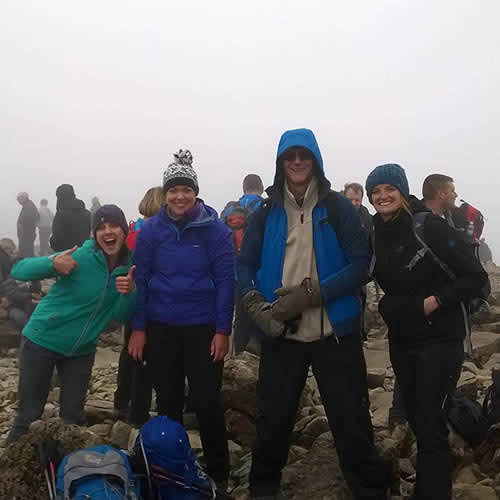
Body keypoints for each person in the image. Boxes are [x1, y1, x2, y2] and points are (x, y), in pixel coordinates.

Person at [238, 128, 391, 500]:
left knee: (351, 422)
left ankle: (369, 491)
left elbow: (360, 265)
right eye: (289, 156)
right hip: (281, 333)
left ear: (316, 160)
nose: (296, 162)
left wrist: (312, 294)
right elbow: (243, 265)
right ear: (280, 163)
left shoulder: (338, 207)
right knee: (272, 423)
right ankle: (262, 491)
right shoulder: (265, 212)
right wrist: (255, 304)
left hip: (334, 333)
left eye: (303, 155)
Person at [365, 164, 488, 499]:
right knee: (418, 420)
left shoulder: (428, 226)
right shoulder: (376, 232)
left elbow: (477, 278)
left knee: (431, 421)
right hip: (403, 340)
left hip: (440, 339)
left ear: (403, 192)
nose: (382, 196)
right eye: (375, 192)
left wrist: (436, 300)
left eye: (389, 189)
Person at [128, 150, 234, 493]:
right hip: (161, 327)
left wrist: (223, 330)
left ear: (195, 192)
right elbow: (141, 281)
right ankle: (171, 468)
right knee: (169, 401)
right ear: (165, 193)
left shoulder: (214, 229)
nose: (179, 196)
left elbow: (226, 280)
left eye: (186, 189)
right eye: (173, 189)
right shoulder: (150, 231)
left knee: (206, 401)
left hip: (202, 327)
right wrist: (139, 328)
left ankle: (219, 471)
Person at [6, 205, 136, 444]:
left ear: (124, 229)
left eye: (114, 225)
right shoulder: (81, 256)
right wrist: (52, 263)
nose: (108, 231)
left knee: (73, 420)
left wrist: (128, 293)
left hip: (81, 350)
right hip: (42, 340)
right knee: (28, 416)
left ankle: (66, 474)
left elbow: (120, 315)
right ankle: (9, 475)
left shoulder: (128, 267)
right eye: (101, 227)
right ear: (94, 234)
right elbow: (19, 270)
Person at [113, 186, 163, 426]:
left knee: (129, 352)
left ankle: (121, 402)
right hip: (150, 303)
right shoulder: (155, 233)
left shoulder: (133, 233)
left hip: (129, 301)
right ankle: (138, 413)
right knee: (146, 358)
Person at [344, 182, 374, 340]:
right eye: (350, 200)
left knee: (360, 300)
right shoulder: (336, 213)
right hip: (340, 266)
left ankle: (359, 334)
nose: (354, 203)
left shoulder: (366, 217)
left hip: (360, 267)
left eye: (357, 200)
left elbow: (371, 242)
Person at [0, 238, 33, 331]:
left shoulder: (8, 262)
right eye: (10, 250)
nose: (11, 252)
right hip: (9, 301)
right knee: (20, 317)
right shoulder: (4, 259)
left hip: (14, 299)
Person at [50, 184, 91, 252]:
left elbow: (56, 240)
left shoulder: (60, 215)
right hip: (83, 254)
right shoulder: (87, 214)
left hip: (66, 255)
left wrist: (52, 242)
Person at [16, 192, 39, 258]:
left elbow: (28, 222)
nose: (18, 200)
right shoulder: (28, 206)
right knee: (28, 253)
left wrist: (22, 234)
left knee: (26, 254)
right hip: (27, 235)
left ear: (24, 198)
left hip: (26, 235)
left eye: (18, 198)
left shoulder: (29, 207)